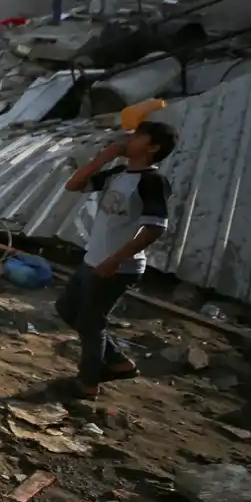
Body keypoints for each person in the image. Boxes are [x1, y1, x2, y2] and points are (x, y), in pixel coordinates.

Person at [57, 121, 176, 398]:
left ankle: (87, 382)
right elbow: (73, 185)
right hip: (94, 259)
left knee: (91, 323)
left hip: (118, 267)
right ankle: (118, 362)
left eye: (138, 136)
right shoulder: (118, 173)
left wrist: (116, 259)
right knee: (67, 308)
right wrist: (103, 157)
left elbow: (155, 228)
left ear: (153, 147)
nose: (129, 139)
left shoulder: (152, 181)